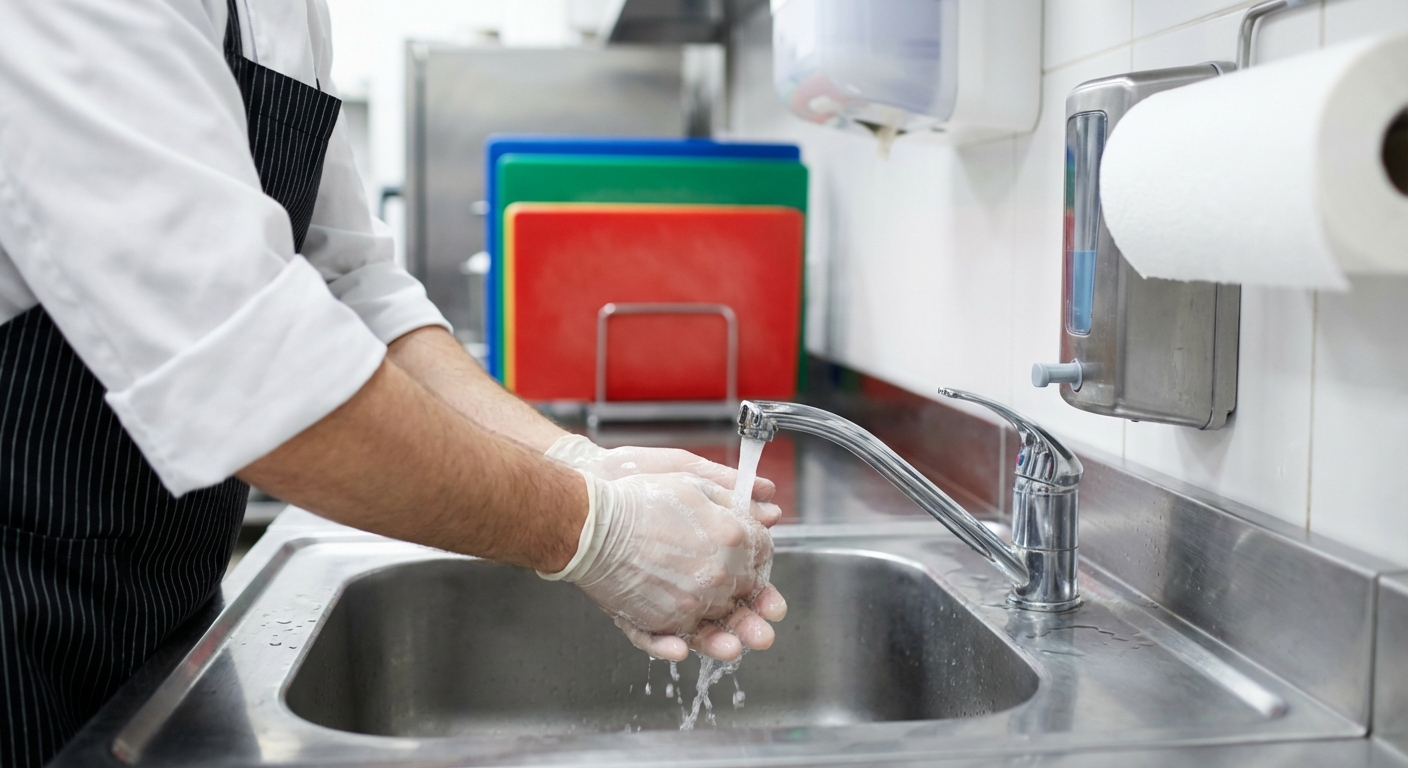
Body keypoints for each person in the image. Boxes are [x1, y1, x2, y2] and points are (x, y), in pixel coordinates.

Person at [0, 1, 786, 765]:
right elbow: (249, 376)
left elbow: (353, 287)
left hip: (162, 610)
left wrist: (569, 461)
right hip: (20, 624)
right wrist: (597, 531)